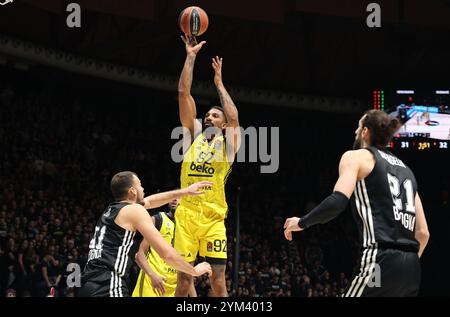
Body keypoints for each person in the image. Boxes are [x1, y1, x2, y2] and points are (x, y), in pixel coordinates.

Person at [284, 110, 430, 297]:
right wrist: (404, 265)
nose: (355, 131)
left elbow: (337, 202)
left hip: (380, 259)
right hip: (412, 269)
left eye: (358, 127)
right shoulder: (407, 171)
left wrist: (302, 222)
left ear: (365, 132)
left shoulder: (357, 157)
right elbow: (423, 233)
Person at [174, 35, 241, 297]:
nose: (208, 116)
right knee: (183, 281)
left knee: (218, 281)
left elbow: (234, 117)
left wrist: (219, 84)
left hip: (213, 218)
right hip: (187, 216)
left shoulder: (229, 146)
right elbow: (183, 93)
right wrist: (190, 56)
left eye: (215, 115)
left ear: (222, 125)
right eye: (208, 114)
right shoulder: (192, 136)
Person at [78, 171, 212, 297]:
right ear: (132, 191)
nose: (143, 189)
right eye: (140, 185)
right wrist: (194, 271)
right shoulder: (135, 210)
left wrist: (185, 192)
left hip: (88, 285)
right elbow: (166, 254)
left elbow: (151, 201)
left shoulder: (112, 209)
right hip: (108, 284)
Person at [132, 199, 196, 297]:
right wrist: (152, 276)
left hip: (174, 288)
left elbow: (187, 271)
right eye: (173, 195)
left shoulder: (188, 230)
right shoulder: (158, 219)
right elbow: (139, 256)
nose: (174, 199)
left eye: (179, 196)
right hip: (152, 283)